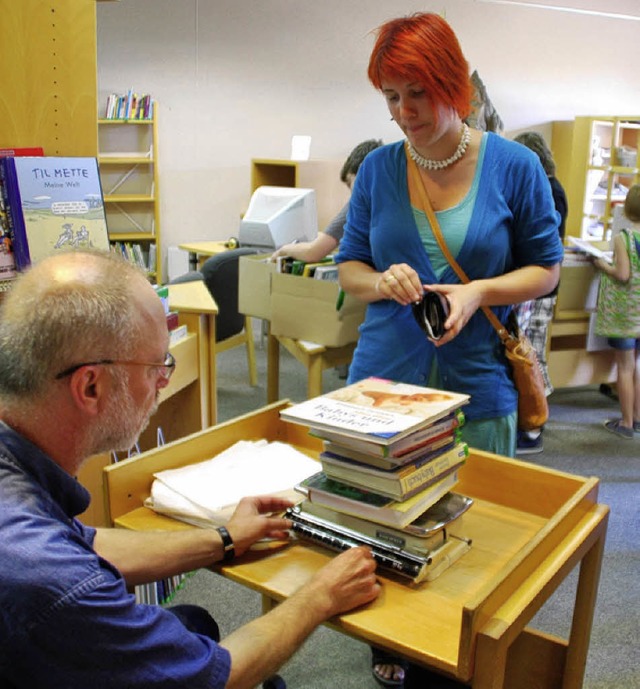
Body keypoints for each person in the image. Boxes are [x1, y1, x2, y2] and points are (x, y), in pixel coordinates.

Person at [0, 249, 381, 689]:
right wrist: (320, 595)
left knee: (193, 622)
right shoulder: (56, 581)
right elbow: (217, 677)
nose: (164, 381)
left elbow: (87, 545)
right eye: (157, 366)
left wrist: (224, 539)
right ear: (90, 385)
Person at [334, 14, 563, 686]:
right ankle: (393, 649)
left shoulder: (513, 165)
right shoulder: (379, 168)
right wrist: (381, 279)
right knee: (382, 527)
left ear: (454, 85)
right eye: (391, 98)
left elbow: (546, 268)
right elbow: (347, 265)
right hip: (386, 380)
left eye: (417, 94)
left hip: (477, 383)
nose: (405, 113)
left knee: (471, 539)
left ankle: (457, 659)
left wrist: (479, 292)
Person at [512, 131, 568, 455]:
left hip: (541, 288)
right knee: (529, 351)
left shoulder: (548, 188)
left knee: (531, 355)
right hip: (539, 285)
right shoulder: (550, 185)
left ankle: (534, 426)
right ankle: (531, 421)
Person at [271, 139, 383, 263]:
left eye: (349, 184)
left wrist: (284, 250)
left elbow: (313, 253)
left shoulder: (359, 204)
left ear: (358, 175)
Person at [592, 184, 640, 438]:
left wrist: (602, 265)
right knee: (638, 366)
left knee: (624, 367)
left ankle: (626, 423)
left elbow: (622, 274)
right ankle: (639, 418)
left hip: (625, 314)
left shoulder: (625, 238)